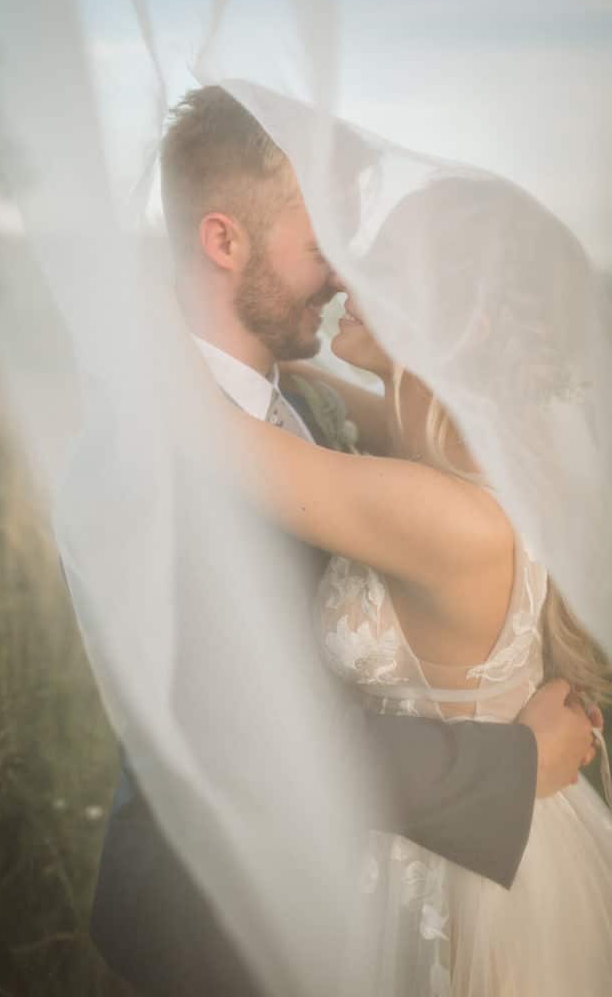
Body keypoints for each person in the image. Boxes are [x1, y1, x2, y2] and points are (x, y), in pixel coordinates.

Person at [90, 87, 598, 996]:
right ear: (223, 240)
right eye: (330, 241)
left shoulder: (342, 442)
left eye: (384, 266)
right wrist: (508, 766)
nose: (344, 277)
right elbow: (227, 734)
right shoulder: (180, 449)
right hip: (217, 923)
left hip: (441, 887)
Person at [226, 173, 612, 994]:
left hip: (456, 869)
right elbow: (299, 394)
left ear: (464, 317)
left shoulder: (443, 514)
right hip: (469, 820)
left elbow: (212, 432)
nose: (345, 274)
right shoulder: (467, 446)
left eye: (390, 264)